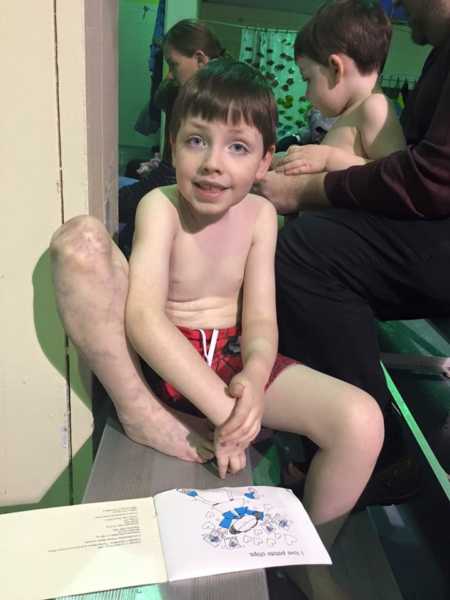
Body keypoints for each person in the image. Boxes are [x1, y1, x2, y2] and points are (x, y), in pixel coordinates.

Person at [50, 60, 383, 598]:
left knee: (362, 420)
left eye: (237, 147)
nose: (212, 164)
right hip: (170, 361)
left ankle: (310, 555)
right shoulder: (161, 206)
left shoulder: (259, 216)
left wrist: (253, 374)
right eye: (196, 140)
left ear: (264, 161)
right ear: (173, 142)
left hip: (230, 356)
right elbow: (143, 317)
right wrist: (226, 411)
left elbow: (259, 320)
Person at [256, 0, 450, 503]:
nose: (402, 8)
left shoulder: (376, 106)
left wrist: (320, 180)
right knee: (299, 252)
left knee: (304, 253)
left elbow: (424, 180)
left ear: (337, 67)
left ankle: (372, 448)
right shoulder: (438, 54)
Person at [119, 19, 227, 256]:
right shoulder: (217, 90)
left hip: (180, 195)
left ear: (200, 59)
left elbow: (168, 176)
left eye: (173, 64)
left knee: (121, 220)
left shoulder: (200, 102)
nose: (169, 75)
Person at [274, 0, 405, 176]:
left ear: (336, 68)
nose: (306, 95)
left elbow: (395, 175)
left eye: (308, 79)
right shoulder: (353, 112)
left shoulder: (374, 105)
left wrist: (329, 159)